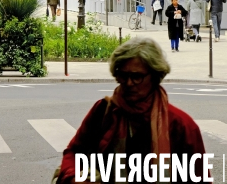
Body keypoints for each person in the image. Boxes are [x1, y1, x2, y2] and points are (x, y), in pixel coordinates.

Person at [55, 38, 209, 184]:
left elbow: (200, 178)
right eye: (123, 75)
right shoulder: (104, 111)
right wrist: (75, 178)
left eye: (137, 77)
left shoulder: (180, 124)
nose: (128, 83)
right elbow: (74, 153)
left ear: (155, 76)